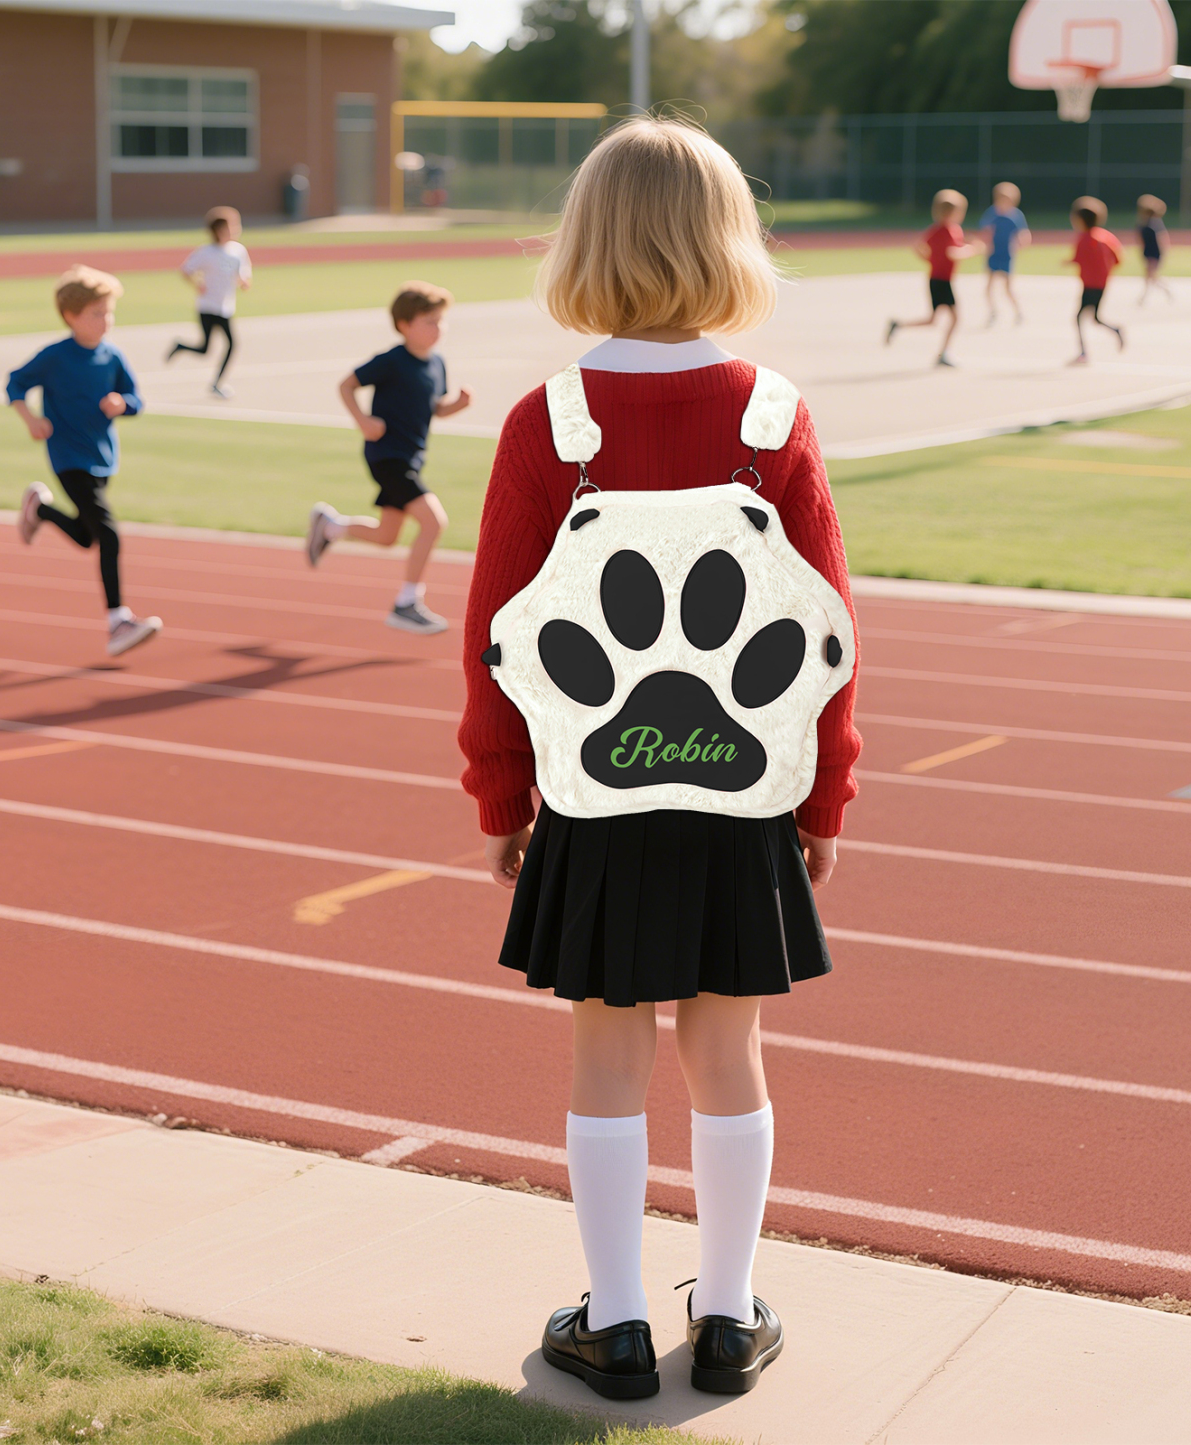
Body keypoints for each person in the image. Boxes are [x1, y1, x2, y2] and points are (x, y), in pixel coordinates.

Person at [459, 117, 861, 1401]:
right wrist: (825, 795)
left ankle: (619, 1323)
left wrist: (498, 794)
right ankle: (732, 1315)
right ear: (727, 240)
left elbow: (494, 637)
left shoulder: (549, 423)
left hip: (596, 789)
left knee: (605, 1055)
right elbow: (824, 635)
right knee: (726, 1053)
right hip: (741, 788)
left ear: (582, 242)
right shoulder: (775, 415)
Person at [11, 267, 162, 657]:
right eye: (97, 313)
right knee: (109, 535)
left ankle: (40, 509)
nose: (105, 320)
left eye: (108, 312)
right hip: (67, 457)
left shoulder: (113, 356)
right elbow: (15, 383)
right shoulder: (55, 357)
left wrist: (122, 404)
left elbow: (136, 400)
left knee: (86, 536)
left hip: (102, 458)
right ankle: (118, 621)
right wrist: (31, 419)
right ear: (71, 316)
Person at [305, 282, 471, 634]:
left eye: (441, 321)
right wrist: (363, 421)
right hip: (388, 457)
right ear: (404, 325)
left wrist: (455, 406)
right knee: (433, 522)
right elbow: (346, 385)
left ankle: (330, 525)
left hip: (410, 458)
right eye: (430, 321)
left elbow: (434, 408)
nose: (438, 328)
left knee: (387, 536)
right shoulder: (392, 361)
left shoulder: (437, 363)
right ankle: (406, 603)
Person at [884, 189, 981, 366]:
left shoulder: (936, 230)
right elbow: (952, 253)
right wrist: (972, 249)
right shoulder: (949, 230)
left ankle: (899, 325)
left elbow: (918, 246)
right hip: (942, 281)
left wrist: (930, 260)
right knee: (954, 318)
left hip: (936, 278)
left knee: (933, 320)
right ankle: (944, 353)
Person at [167, 206, 251, 399]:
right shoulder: (206, 252)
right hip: (207, 306)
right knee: (205, 349)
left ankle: (216, 383)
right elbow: (186, 270)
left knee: (231, 344)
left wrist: (244, 282)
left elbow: (243, 274)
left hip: (225, 307)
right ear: (220, 230)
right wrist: (197, 284)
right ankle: (181, 347)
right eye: (232, 226)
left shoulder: (238, 251)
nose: (237, 229)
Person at [1065, 197, 1125, 364]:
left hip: (1090, 285)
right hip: (1101, 284)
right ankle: (1114, 330)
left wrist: (1068, 262)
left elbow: (1078, 258)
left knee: (1080, 318)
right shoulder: (1106, 237)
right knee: (1094, 318)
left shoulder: (1084, 239)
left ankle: (1083, 352)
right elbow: (1117, 258)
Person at [979, 181, 1030, 324]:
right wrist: (985, 244)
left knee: (1008, 288)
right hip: (993, 254)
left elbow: (1024, 233)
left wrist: (1023, 240)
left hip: (1007, 254)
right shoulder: (992, 213)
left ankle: (1018, 312)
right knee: (989, 285)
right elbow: (986, 230)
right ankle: (992, 311)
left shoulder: (1016, 215)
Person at [1136, 194, 1172, 304]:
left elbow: (1162, 238)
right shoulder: (1143, 223)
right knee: (1151, 276)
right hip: (1147, 252)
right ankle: (1164, 291)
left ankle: (1145, 297)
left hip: (1154, 252)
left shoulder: (1154, 223)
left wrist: (1164, 251)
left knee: (1151, 276)